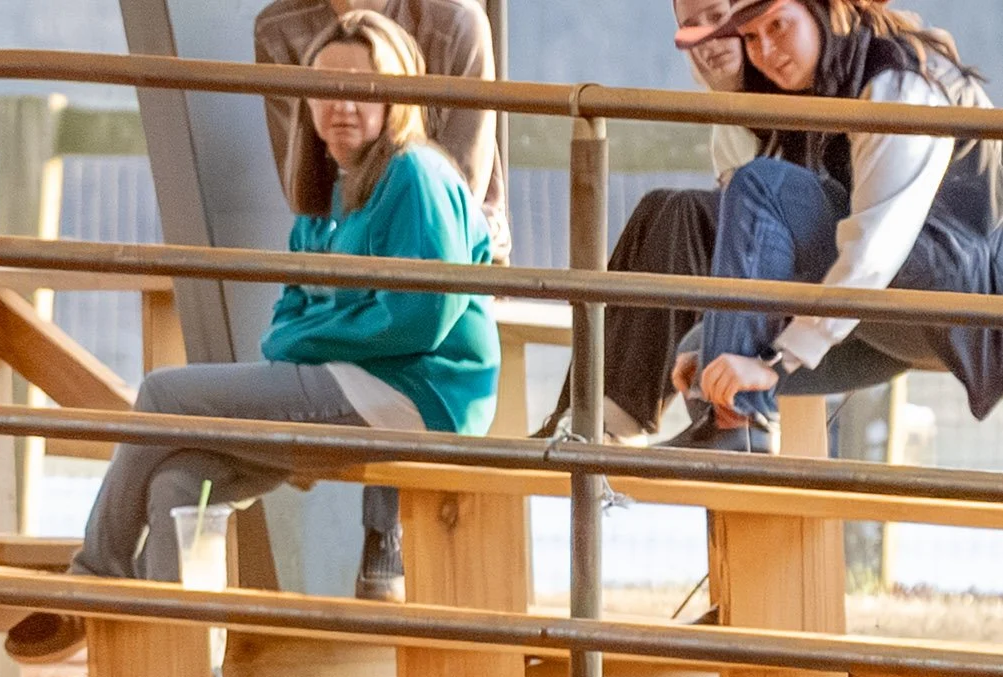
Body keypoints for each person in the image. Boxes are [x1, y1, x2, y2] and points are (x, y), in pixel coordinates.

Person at [8, 12, 497, 664]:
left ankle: (91, 578)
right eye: (324, 88)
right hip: (354, 388)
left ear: (396, 96)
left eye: (362, 87)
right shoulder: (324, 193)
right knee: (179, 480)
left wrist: (310, 340)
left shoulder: (415, 175)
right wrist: (310, 338)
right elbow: (286, 314)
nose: (341, 105)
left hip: (419, 394)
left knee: (161, 391)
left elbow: (418, 318)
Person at [668, 0, 1003, 452]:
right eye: (750, 36)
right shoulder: (820, 82)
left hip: (963, 308)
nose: (766, 50)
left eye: (779, 25)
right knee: (703, 350)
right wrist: (718, 353)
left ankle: (733, 426)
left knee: (762, 186)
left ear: (824, 12)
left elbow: (875, 248)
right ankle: (732, 427)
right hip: (886, 314)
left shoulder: (898, 81)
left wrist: (776, 362)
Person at [257, 0, 506, 601]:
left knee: (401, 302)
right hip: (351, 216)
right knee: (341, 286)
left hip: (449, 224)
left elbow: (457, 184)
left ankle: (383, 533)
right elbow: (308, 163)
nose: (342, 96)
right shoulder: (280, 27)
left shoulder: (454, 21)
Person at [540, 0, 764, 439]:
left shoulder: (789, 90)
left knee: (681, 211)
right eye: (691, 28)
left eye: (718, 18)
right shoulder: (729, 124)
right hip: (748, 269)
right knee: (653, 209)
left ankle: (620, 414)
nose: (708, 41)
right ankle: (578, 411)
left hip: (804, 266)